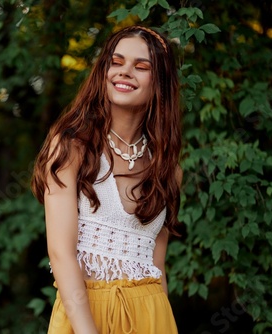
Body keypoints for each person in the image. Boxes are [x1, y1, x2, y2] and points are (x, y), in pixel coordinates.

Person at [31, 25, 182, 334]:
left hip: (152, 315)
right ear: (104, 71)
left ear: (160, 85)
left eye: (141, 67)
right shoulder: (72, 147)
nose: (125, 72)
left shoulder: (169, 168)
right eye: (117, 62)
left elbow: (157, 268)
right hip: (85, 315)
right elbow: (61, 253)